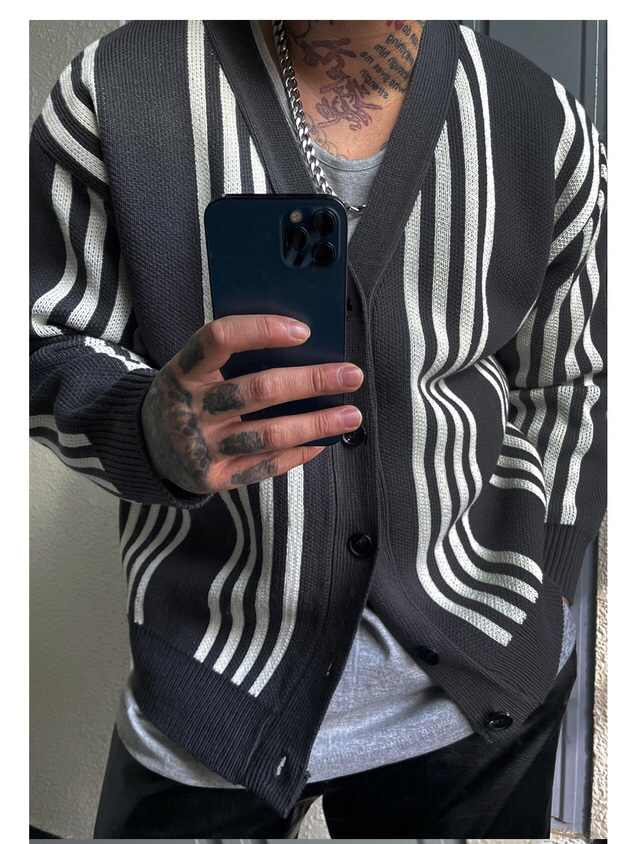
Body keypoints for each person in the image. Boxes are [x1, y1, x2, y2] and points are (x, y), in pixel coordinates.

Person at [30, 19, 607, 838]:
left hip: (481, 686)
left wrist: (543, 577)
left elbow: (577, 377)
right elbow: (39, 337)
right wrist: (144, 426)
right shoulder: (113, 92)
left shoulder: (543, 123)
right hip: (212, 683)